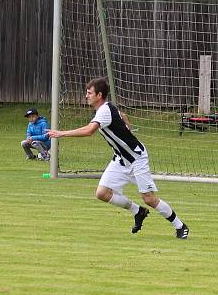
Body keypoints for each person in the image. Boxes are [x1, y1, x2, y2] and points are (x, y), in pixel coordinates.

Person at [47, 77, 189, 239]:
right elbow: (122, 117)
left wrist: (61, 133)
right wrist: (125, 123)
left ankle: (180, 225)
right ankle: (138, 211)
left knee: (149, 198)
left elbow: (89, 131)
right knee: (102, 193)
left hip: (136, 158)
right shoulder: (106, 110)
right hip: (120, 160)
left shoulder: (104, 111)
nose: (86, 96)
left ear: (99, 95)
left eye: (89, 93)